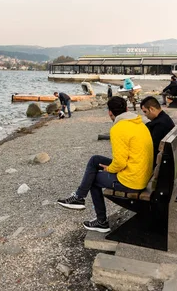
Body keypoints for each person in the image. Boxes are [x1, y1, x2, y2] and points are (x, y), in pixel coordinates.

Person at [57, 97, 153, 233]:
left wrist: (110, 169)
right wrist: (112, 168)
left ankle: (101, 222)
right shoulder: (138, 123)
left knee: (94, 180)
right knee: (95, 160)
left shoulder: (118, 128)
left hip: (133, 180)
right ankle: (79, 197)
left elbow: (120, 162)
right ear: (126, 109)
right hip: (141, 171)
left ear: (110, 113)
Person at [140, 96, 175, 166]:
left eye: (145, 112)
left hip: (161, 164)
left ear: (151, 109)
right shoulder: (164, 118)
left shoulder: (159, 125)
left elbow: (153, 148)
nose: (145, 115)